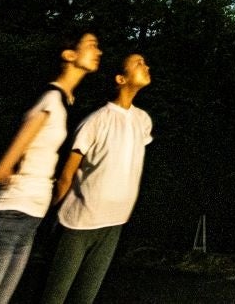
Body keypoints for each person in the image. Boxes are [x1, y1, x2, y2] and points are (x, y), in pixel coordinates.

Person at [0, 31, 103, 304]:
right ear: (69, 55)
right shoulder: (50, 100)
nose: (98, 51)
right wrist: (25, 183)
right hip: (8, 216)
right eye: (91, 45)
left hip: (28, 220)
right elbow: (2, 168)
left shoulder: (63, 102)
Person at [39, 52, 154, 304]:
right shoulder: (96, 121)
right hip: (78, 222)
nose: (145, 66)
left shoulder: (142, 121)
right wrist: (47, 217)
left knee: (85, 297)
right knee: (54, 295)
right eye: (138, 63)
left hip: (113, 222)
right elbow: (67, 174)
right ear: (120, 79)